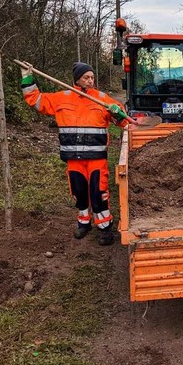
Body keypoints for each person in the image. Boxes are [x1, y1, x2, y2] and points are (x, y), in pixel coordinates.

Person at [20, 61, 135, 246]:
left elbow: (123, 122)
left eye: (92, 77)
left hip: (96, 159)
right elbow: (35, 100)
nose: (90, 81)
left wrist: (117, 112)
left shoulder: (102, 98)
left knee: (98, 194)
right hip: (73, 159)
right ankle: (84, 223)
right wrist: (27, 77)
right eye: (86, 77)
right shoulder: (61, 98)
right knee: (79, 193)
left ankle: (105, 228)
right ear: (77, 79)